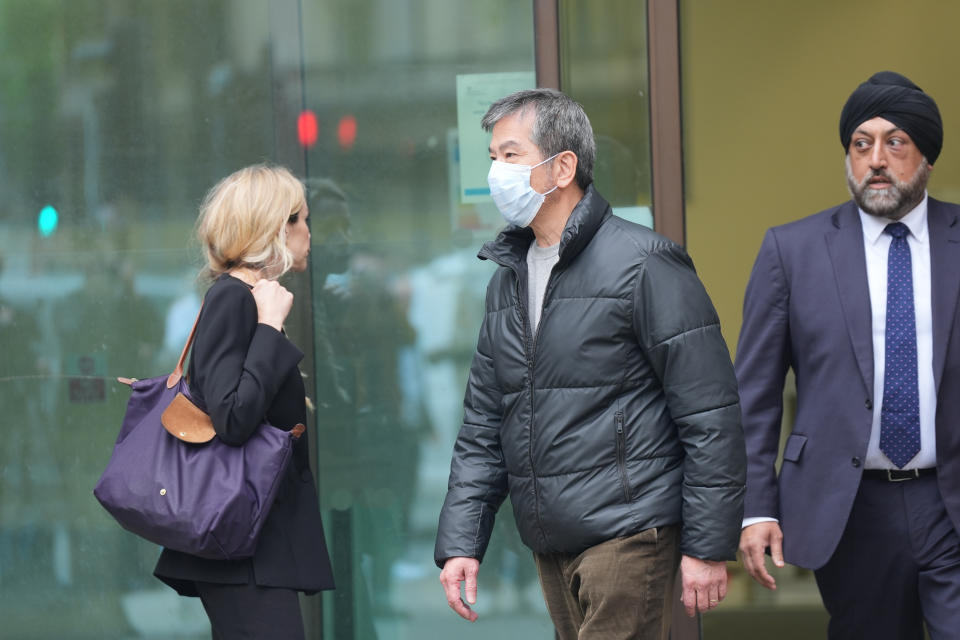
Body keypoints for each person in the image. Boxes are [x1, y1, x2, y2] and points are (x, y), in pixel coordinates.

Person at [434, 88, 746, 638]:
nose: (495, 173)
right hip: (551, 537)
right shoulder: (506, 278)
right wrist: (463, 541)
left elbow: (709, 413)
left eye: (509, 155)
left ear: (563, 167)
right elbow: (484, 423)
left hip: (629, 530)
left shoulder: (646, 263)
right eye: (491, 158)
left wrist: (706, 543)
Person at [737, 71, 960, 639]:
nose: (876, 160)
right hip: (851, 506)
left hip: (949, 497)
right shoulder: (793, 251)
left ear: (926, 158)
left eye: (895, 142)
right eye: (861, 145)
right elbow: (755, 396)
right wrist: (756, 508)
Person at [153, 164, 335, 639]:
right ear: (278, 226)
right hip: (239, 542)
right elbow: (231, 418)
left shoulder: (253, 297)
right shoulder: (234, 299)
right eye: (304, 220)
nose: (309, 234)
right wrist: (270, 329)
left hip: (253, 537)